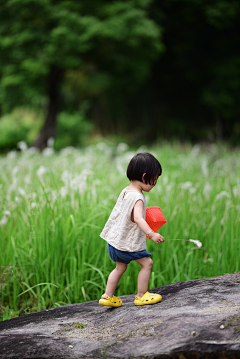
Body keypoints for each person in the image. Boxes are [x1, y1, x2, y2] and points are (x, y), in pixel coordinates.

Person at [99, 152, 165, 307]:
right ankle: (141, 295)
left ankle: (107, 296)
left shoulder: (126, 191)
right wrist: (151, 234)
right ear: (144, 177)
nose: (155, 183)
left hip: (114, 242)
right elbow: (137, 218)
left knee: (119, 268)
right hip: (126, 245)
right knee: (147, 263)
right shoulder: (138, 197)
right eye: (154, 180)